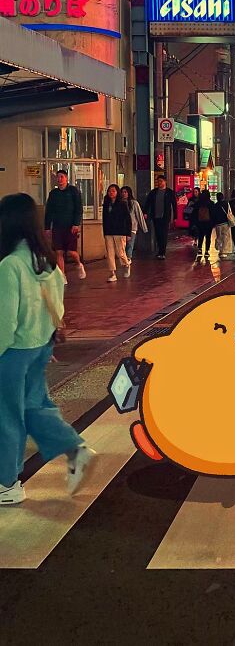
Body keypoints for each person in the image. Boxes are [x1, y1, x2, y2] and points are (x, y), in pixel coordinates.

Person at [0, 193, 96, 505]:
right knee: (33, 407)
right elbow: (56, 305)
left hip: (13, 351)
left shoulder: (10, 265)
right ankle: (75, 449)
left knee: (8, 416)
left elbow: (5, 321)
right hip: (40, 345)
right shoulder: (45, 261)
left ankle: (7, 483)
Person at [44, 170, 86, 283]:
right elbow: (49, 211)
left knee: (71, 252)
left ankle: (79, 264)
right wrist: (47, 227)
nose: (59, 179)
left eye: (62, 177)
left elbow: (78, 209)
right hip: (57, 226)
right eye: (58, 177)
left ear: (66, 178)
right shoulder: (53, 194)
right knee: (59, 251)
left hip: (71, 226)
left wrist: (76, 223)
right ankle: (62, 276)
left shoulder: (73, 191)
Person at [102, 184, 131, 282]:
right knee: (110, 253)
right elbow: (104, 218)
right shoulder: (106, 203)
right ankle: (112, 273)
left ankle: (126, 264)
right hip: (109, 231)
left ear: (117, 192)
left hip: (120, 231)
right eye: (109, 191)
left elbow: (127, 218)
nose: (111, 193)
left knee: (120, 252)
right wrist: (104, 232)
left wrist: (128, 233)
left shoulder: (122, 203)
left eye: (113, 191)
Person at [144, 175, 178, 259]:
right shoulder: (153, 192)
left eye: (161, 181)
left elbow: (174, 205)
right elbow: (148, 202)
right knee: (158, 234)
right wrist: (145, 212)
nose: (159, 183)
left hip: (165, 217)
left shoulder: (169, 192)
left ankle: (162, 252)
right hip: (156, 216)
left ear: (165, 181)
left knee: (164, 234)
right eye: (158, 181)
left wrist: (175, 217)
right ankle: (160, 251)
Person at [121, 186, 148, 262]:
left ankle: (128, 258)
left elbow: (139, 215)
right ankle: (124, 258)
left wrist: (144, 228)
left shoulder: (134, 203)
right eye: (122, 192)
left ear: (129, 193)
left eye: (125, 192)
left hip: (132, 227)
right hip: (121, 227)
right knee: (123, 245)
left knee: (130, 244)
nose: (123, 194)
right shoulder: (119, 202)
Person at [212, 192, 233, 259]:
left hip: (218, 224)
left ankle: (219, 248)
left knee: (219, 237)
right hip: (225, 223)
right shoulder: (226, 203)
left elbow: (213, 215)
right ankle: (223, 252)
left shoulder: (215, 205)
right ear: (223, 197)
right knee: (225, 237)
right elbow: (229, 212)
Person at [195, 190, 214, 259]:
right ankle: (206, 251)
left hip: (200, 222)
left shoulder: (198, 203)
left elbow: (194, 213)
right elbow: (213, 214)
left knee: (201, 235)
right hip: (209, 222)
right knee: (208, 237)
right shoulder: (211, 203)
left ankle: (200, 249)